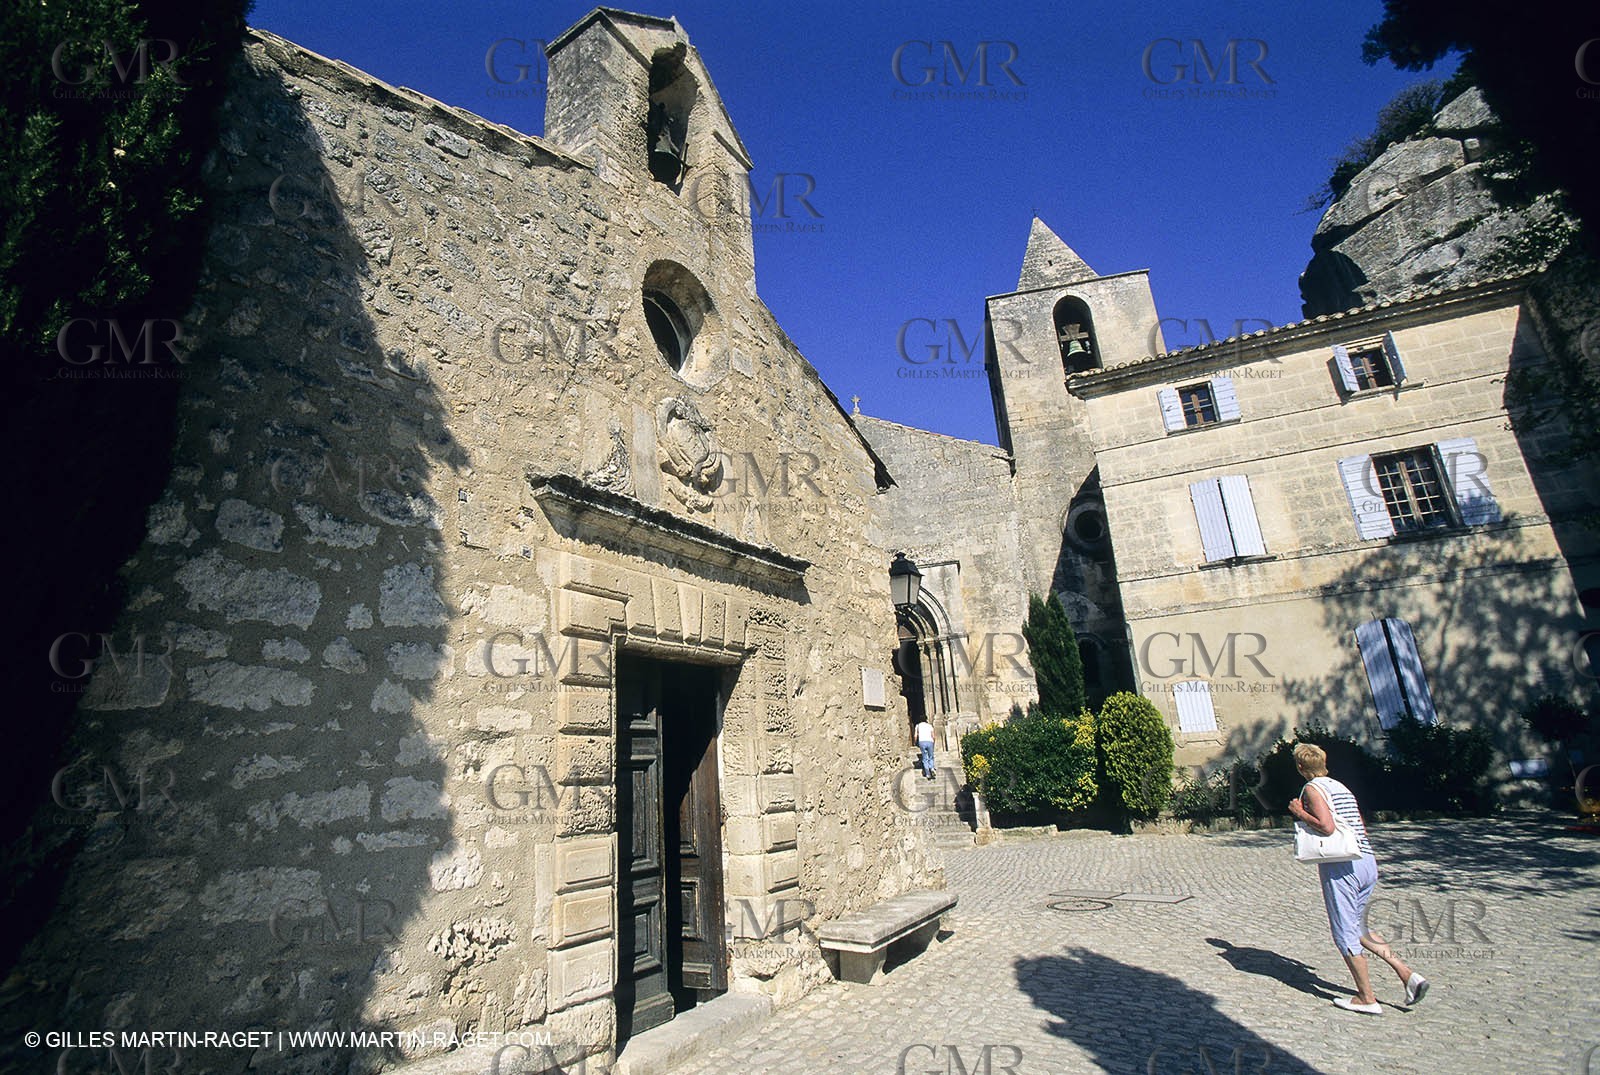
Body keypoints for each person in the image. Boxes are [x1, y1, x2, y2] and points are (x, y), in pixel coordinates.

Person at [1286, 742, 1429, 1015]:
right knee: (1359, 927)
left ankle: (1366, 997)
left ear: (1300, 767)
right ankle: (1408, 975)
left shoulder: (1312, 789)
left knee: (1344, 931)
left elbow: (1327, 827)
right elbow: (1358, 824)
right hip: (1366, 860)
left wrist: (1300, 812)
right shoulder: (1340, 787)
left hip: (1342, 866)